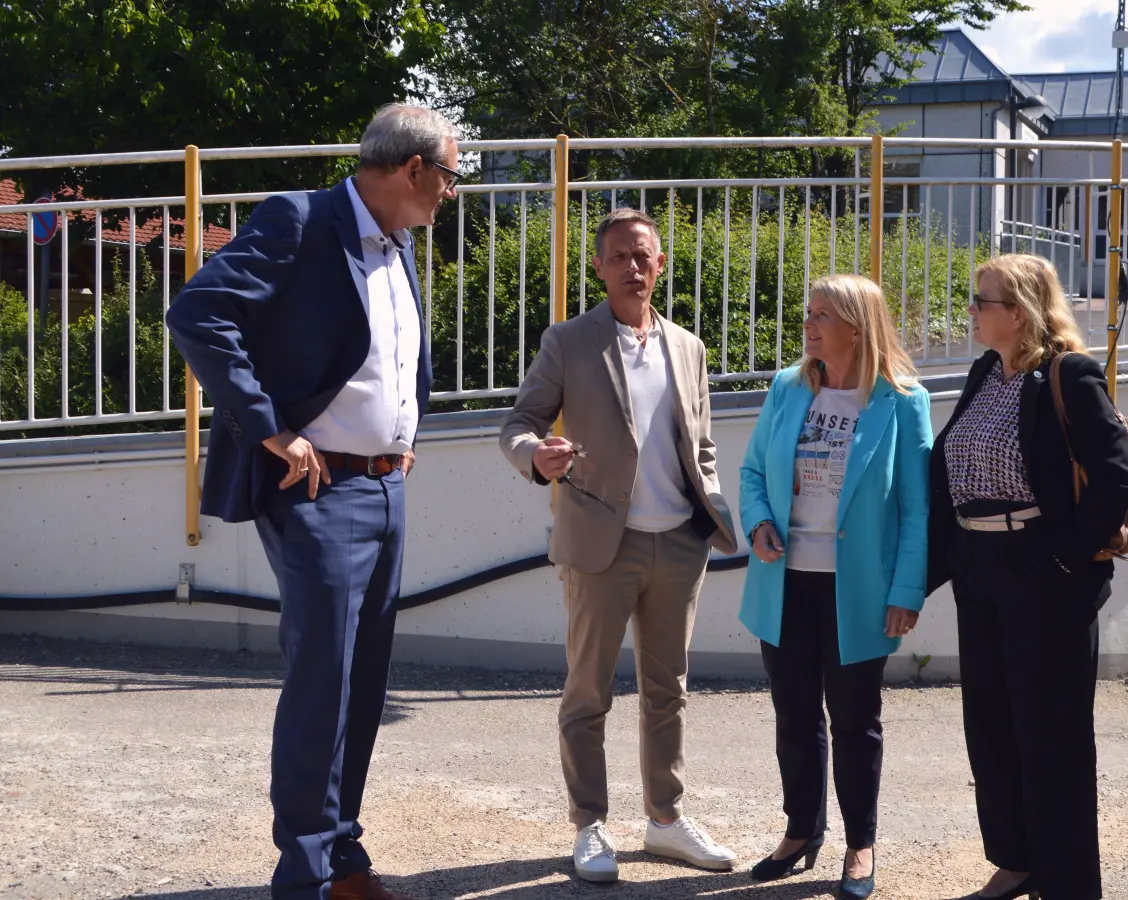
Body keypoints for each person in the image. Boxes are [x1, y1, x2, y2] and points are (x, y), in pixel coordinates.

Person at [165, 103, 453, 900]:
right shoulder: (299, 220)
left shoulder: (396, 244)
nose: (451, 192)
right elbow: (197, 313)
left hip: (385, 484)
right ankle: (305, 874)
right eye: (449, 176)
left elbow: (384, 357)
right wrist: (272, 430)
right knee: (323, 682)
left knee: (362, 685)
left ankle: (340, 851)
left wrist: (400, 434)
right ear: (413, 168)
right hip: (318, 488)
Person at [499, 208, 740, 882]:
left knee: (669, 691)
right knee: (588, 693)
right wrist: (535, 455)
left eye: (643, 256)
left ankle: (665, 819)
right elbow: (518, 423)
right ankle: (590, 825)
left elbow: (701, 444)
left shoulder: (688, 346)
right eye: (618, 257)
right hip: (601, 543)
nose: (632, 267)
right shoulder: (568, 341)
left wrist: (709, 505)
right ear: (598, 268)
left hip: (679, 544)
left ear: (660, 265)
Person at [927, 253, 1128, 900]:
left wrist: (1063, 558)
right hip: (980, 569)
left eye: (982, 300)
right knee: (991, 727)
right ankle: (1016, 861)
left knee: (1052, 738)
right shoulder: (984, 372)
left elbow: (1118, 477)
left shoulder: (1069, 374)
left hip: (1044, 574)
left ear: (1018, 312)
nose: (972, 310)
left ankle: (1068, 884)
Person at [738, 274, 932, 900]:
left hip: (860, 591)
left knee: (854, 721)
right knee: (794, 715)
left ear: (858, 326)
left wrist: (906, 590)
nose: (809, 324)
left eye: (823, 314)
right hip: (785, 582)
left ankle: (860, 844)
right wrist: (758, 522)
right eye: (809, 312)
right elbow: (751, 471)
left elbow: (917, 508)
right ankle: (801, 830)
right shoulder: (788, 387)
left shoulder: (903, 402)